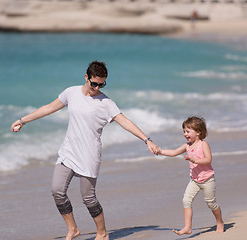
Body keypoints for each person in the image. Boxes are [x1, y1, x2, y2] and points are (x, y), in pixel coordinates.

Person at [10, 60, 159, 240]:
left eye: (101, 84)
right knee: (57, 191)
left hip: (89, 154)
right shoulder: (71, 92)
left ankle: (102, 233)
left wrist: (147, 140)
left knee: (88, 198)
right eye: (94, 83)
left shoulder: (106, 103)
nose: (97, 87)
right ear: (86, 77)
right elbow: (49, 108)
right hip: (69, 151)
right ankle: (73, 229)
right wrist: (23, 120)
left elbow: (124, 121)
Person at [156, 116, 224, 236]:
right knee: (186, 200)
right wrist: (160, 151)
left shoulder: (203, 144)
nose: (185, 134)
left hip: (207, 180)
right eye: (184, 131)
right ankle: (187, 227)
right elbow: (174, 152)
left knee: (211, 203)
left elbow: (208, 160)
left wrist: (195, 160)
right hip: (194, 180)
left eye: (188, 131)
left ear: (198, 132)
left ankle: (220, 222)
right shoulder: (187, 145)